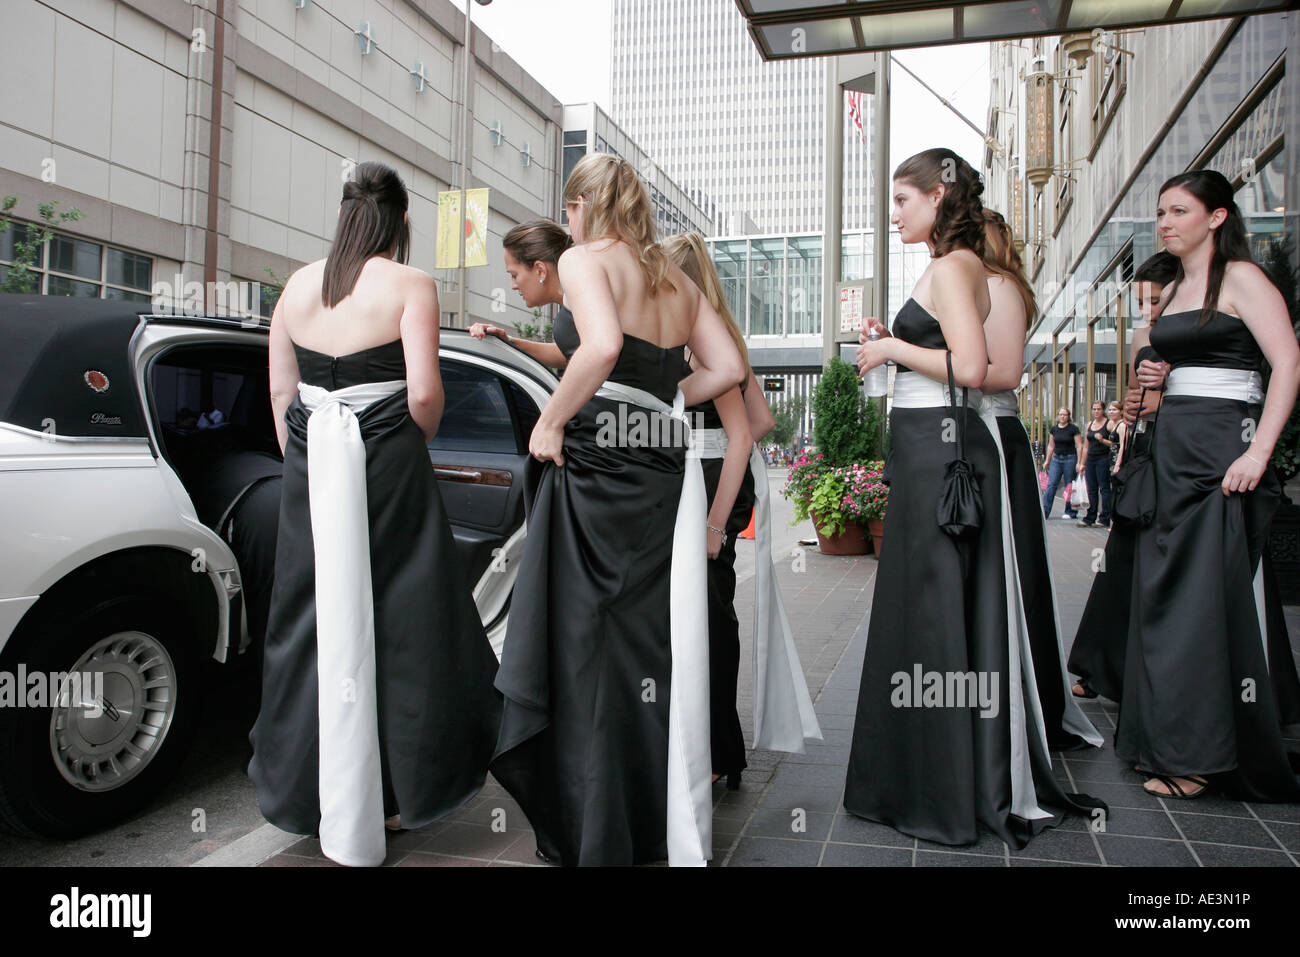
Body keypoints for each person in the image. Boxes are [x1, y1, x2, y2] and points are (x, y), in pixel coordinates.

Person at [489, 154, 746, 866]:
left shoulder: (582, 261)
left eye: (568, 210)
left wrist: (551, 421)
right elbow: (727, 371)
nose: (566, 222)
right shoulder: (678, 281)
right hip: (660, 471)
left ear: (581, 205)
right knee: (645, 647)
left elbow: (600, 346)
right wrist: (661, 403)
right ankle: (644, 814)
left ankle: (593, 822)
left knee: (581, 651)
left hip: (598, 462)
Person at [845, 148, 1100, 847]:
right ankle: (938, 773)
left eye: (902, 200)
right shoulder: (953, 266)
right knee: (933, 611)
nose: (894, 213)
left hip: (944, 446)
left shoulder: (955, 266)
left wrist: (893, 350)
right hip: (935, 444)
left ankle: (941, 781)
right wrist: (894, 346)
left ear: (937, 196)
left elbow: (974, 365)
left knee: (933, 612)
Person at [249, 162, 502, 867]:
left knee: (310, 619)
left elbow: (279, 393)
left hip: (308, 465)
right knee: (403, 618)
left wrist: (310, 460)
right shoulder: (410, 284)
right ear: (401, 221)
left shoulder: (297, 286)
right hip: (387, 461)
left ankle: (311, 792)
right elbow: (425, 395)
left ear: (344, 215)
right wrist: (390, 447)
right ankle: (396, 794)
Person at [1118, 169, 1300, 801]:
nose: (1165, 223)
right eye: (1161, 213)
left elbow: (1287, 362)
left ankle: (1203, 753)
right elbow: (1171, 374)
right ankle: (1167, 739)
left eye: (1178, 211)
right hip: (1174, 447)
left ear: (1217, 217)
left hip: (1224, 449)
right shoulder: (1176, 288)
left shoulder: (1243, 278)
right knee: (1166, 597)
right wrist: (1155, 378)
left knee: (1199, 605)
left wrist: (1261, 450)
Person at [662, 231, 822, 789]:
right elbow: (761, 423)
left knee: (706, 617)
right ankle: (717, 748)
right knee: (709, 614)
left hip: (706, 485)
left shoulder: (699, 338)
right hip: (711, 482)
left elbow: (748, 430)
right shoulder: (717, 333)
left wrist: (713, 517)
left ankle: (714, 748)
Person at [979, 210, 1101, 751]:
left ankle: (1023, 700)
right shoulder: (975, 285)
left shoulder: (1001, 288)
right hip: (972, 432)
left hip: (994, 433)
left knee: (1011, 565)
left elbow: (1002, 373)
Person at [1069, 252, 1177, 701]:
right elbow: (1135, 396)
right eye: (1142, 302)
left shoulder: (1200, 331)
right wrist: (1133, 406)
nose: (1148, 311)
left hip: (1186, 447)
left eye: (1156, 301)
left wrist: (1165, 399)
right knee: (1122, 559)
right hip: (1146, 452)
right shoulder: (1140, 337)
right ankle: (1103, 667)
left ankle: (1163, 675)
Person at [469, 219, 571, 370]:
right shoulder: (573, 303)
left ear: (540, 270)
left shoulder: (581, 303)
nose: (513, 286)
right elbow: (567, 355)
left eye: (514, 275)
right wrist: (507, 342)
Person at [1077, 400, 1116, 527]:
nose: (1096, 411)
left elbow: (1115, 444)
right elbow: (1086, 446)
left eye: (1098, 409)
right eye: (1094, 409)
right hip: (1091, 460)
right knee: (1091, 489)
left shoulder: (1109, 424)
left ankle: (1104, 518)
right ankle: (1090, 517)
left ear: (1103, 410)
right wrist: (1082, 463)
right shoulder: (1090, 424)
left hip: (1103, 459)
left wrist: (1103, 439)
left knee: (1104, 488)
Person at [1041, 407, 1084, 519]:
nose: (1062, 417)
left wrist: (1079, 462)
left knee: (1069, 484)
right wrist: (1047, 460)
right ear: (1058, 416)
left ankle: (1070, 511)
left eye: (1065, 415)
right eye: (1060, 414)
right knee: (1051, 485)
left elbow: (1079, 445)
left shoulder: (1073, 429)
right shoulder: (1054, 429)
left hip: (1070, 458)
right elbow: (1051, 445)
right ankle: (1045, 511)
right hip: (1057, 459)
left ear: (1068, 416)